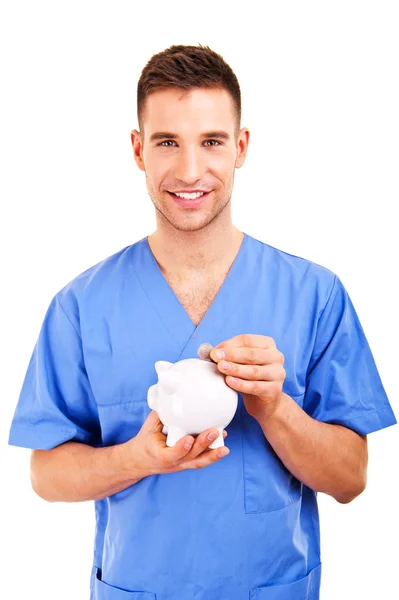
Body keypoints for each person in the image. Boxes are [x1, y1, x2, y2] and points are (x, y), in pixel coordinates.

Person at [8, 44, 396, 600]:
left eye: (211, 141)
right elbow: (45, 476)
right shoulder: (81, 306)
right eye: (168, 142)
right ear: (139, 150)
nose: (191, 171)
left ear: (240, 147)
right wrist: (139, 457)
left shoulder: (315, 295)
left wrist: (274, 407)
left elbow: (351, 480)